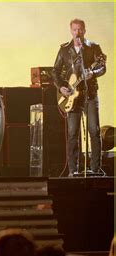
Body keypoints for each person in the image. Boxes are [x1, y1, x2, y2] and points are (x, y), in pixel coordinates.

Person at [52, 19, 106, 177]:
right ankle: (73, 170)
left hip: (90, 94)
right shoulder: (64, 50)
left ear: (84, 30)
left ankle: (95, 169)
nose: (78, 32)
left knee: (94, 131)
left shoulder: (93, 47)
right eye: (75, 30)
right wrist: (61, 86)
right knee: (72, 132)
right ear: (71, 30)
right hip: (71, 97)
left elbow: (102, 66)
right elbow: (55, 71)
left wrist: (93, 73)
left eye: (80, 29)